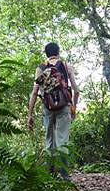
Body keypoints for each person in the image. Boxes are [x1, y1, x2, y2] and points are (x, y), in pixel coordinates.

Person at [27, 42, 79, 180]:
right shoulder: (67, 66)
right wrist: (74, 106)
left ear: (46, 53)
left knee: (49, 140)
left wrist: (30, 115)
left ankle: (49, 173)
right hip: (64, 106)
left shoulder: (41, 68)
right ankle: (65, 175)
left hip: (47, 106)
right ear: (58, 52)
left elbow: (34, 92)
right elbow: (76, 90)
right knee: (63, 140)